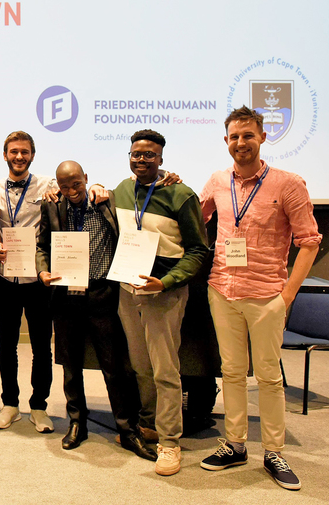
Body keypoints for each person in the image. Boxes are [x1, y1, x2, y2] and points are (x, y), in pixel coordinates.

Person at [199, 106, 321, 491]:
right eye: (234, 137)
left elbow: (309, 242)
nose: (241, 143)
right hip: (222, 290)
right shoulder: (217, 182)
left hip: (267, 294)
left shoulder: (288, 184)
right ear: (226, 141)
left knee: (268, 377)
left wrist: (286, 296)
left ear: (263, 138)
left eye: (248, 135)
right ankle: (235, 444)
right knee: (232, 372)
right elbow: (192, 220)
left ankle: (273, 451)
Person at [36, 161, 156, 461]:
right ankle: (77, 423)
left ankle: (127, 430)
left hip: (103, 293)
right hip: (65, 296)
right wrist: (42, 271)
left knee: (115, 367)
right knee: (70, 365)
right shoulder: (52, 206)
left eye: (76, 184)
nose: (72, 191)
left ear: (86, 179)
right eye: (64, 186)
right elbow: (41, 246)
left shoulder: (107, 200)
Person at [113, 130, 209, 476]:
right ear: (129, 156)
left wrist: (166, 282)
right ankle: (150, 423)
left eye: (149, 155)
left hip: (163, 294)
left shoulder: (181, 194)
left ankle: (170, 442)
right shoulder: (121, 191)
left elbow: (199, 250)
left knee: (166, 370)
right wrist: (93, 188)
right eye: (137, 154)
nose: (142, 160)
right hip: (128, 291)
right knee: (141, 366)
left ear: (161, 159)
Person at [0, 131, 56, 433]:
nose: (19, 156)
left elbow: (77, 190)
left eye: (25, 152)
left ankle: (39, 406)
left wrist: (94, 185)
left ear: (32, 155)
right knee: (7, 345)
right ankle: (10, 404)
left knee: (42, 346)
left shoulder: (48, 186)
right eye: (13, 151)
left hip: (38, 279)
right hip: (5, 279)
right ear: (5, 155)